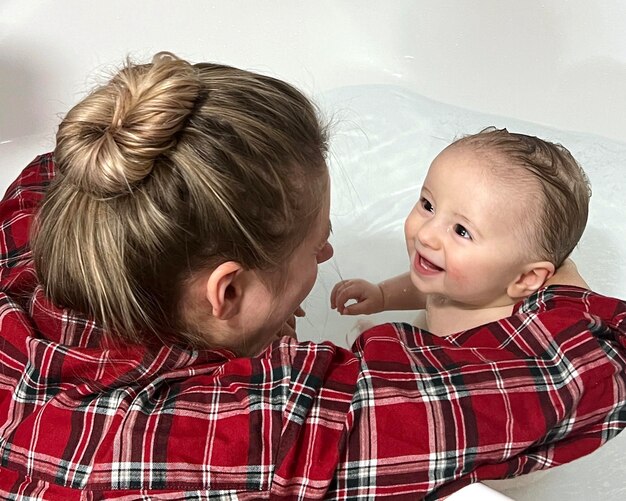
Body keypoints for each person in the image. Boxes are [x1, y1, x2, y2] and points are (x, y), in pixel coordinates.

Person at [0, 53, 624, 500]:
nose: (329, 250)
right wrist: (558, 282)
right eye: (315, 240)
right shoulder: (249, 436)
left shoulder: (50, 202)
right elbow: (581, 372)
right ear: (228, 292)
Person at [331, 129, 592, 336]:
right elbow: (434, 291)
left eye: (461, 231)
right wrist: (383, 295)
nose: (426, 234)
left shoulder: (497, 338)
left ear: (526, 278)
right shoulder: (474, 282)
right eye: (428, 205)